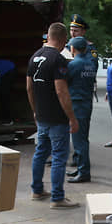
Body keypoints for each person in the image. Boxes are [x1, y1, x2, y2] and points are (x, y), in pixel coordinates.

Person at [27, 22, 80, 208]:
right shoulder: (58, 59)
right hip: (57, 118)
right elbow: (61, 91)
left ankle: (37, 190)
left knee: (40, 153)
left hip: (41, 115)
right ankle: (57, 198)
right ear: (64, 39)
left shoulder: (34, 57)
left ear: (48, 36)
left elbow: (29, 88)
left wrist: (35, 109)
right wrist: (72, 117)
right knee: (58, 156)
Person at [66, 37, 97, 183]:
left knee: (79, 140)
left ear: (73, 49)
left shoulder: (73, 64)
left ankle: (84, 172)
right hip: (86, 102)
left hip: (77, 103)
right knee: (82, 138)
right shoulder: (90, 63)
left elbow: (65, 82)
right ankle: (80, 167)